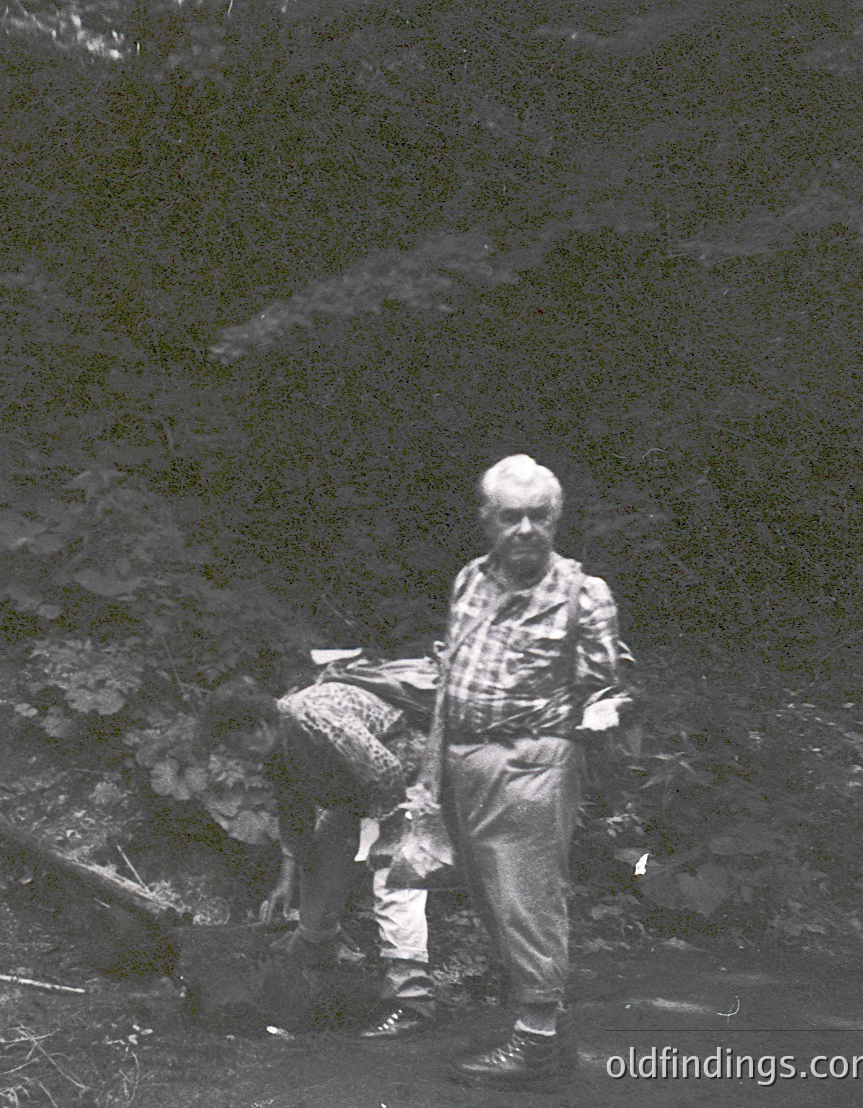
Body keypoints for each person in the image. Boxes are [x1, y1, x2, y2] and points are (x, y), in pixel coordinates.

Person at [436, 455, 630, 1088]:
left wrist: (604, 713)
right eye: (510, 516)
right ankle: (543, 1029)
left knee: (528, 901)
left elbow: (608, 689)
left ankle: (536, 1051)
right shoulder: (470, 578)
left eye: (538, 516)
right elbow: (449, 676)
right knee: (494, 901)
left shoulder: (583, 593)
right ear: (487, 520)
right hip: (463, 760)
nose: (525, 529)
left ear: (557, 519)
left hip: (533, 760)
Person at [202, 676, 436, 1038]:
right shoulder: (277, 746)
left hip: (403, 784)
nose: (240, 758)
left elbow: (385, 769)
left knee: (393, 879)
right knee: (321, 867)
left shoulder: (313, 716)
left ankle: (412, 1001)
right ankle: (318, 954)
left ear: (260, 728)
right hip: (355, 798)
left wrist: (382, 841)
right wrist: (287, 881)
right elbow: (295, 817)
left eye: (238, 746)